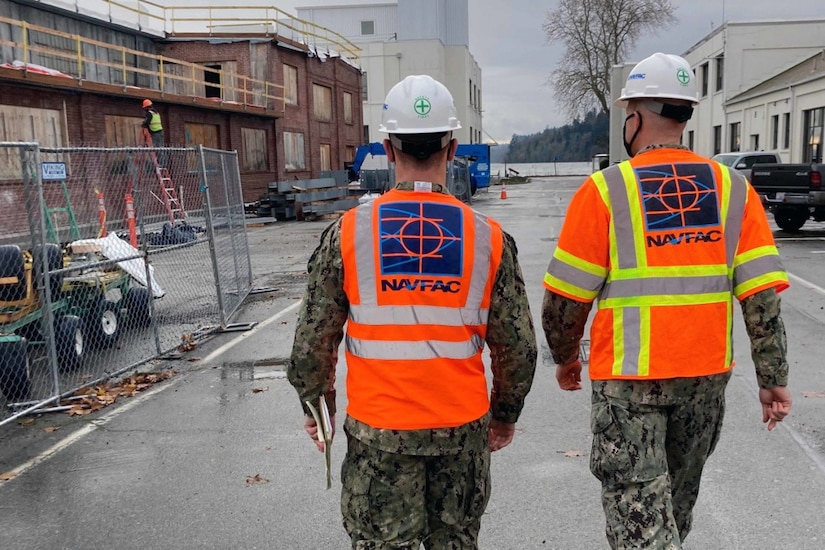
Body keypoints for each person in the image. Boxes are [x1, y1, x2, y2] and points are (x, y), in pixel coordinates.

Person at [541, 52, 792, 549]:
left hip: (629, 386)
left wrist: (567, 357)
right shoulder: (733, 189)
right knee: (675, 507)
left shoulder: (606, 190)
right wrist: (773, 381)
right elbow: (762, 302)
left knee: (640, 524)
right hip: (703, 382)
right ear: (684, 115)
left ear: (633, 116)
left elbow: (565, 303)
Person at [287, 74, 537, 549]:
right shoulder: (488, 238)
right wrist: (504, 415)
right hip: (461, 431)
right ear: (453, 147)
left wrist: (318, 406)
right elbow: (519, 348)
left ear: (386, 146)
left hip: (379, 432)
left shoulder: (349, 233)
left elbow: (312, 342)